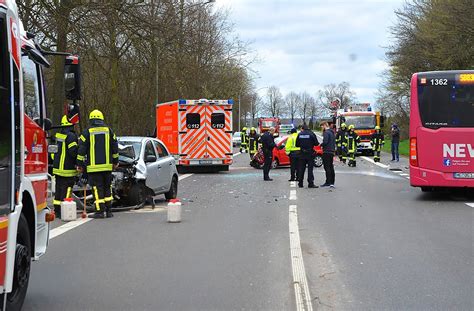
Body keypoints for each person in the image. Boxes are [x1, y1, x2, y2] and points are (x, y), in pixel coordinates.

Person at [77, 109, 119, 218]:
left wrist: (79, 164)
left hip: (94, 168)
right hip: (107, 167)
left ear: (91, 120)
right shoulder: (109, 131)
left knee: (97, 189)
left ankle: (100, 211)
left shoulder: (86, 132)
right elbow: (115, 148)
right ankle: (109, 211)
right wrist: (115, 162)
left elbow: (81, 150)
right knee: (107, 188)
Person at [52, 115, 78, 218]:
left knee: (58, 191)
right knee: (66, 190)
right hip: (67, 169)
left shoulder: (59, 135)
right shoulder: (71, 136)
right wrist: (80, 161)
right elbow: (73, 152)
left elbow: (53, 152)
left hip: (58, 168)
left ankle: (57, 211)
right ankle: (65, 211)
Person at [320, 122, 336, 188]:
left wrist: (321, 145)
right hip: (331, 151)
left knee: (327, 167)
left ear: (324, 125)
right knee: (331, 167)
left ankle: (328, 182)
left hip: (326, 151)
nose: (321, 128)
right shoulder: (332, 133)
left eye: (322, 126)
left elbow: (325, 142)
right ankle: (332, 182)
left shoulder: (326, 132)